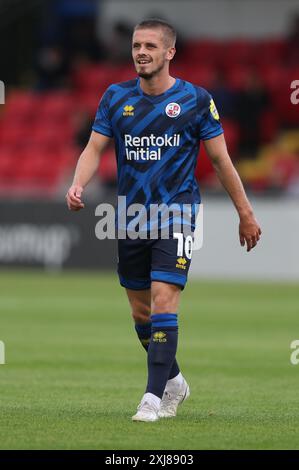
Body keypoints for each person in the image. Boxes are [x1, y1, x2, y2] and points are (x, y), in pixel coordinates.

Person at [66, 19, 262, 422]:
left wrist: (245, 213)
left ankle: (152, 399)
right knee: (141, 315)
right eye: (137, 45)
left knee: (163, 300)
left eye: (151, 46)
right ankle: (174, 381)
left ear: (169, 52)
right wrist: (77, 184)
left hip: (177, 214)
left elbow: (221, 160)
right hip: (131, 217)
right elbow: (93, 148)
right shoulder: (115, 97)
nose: (141, 52)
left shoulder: (195, 100)